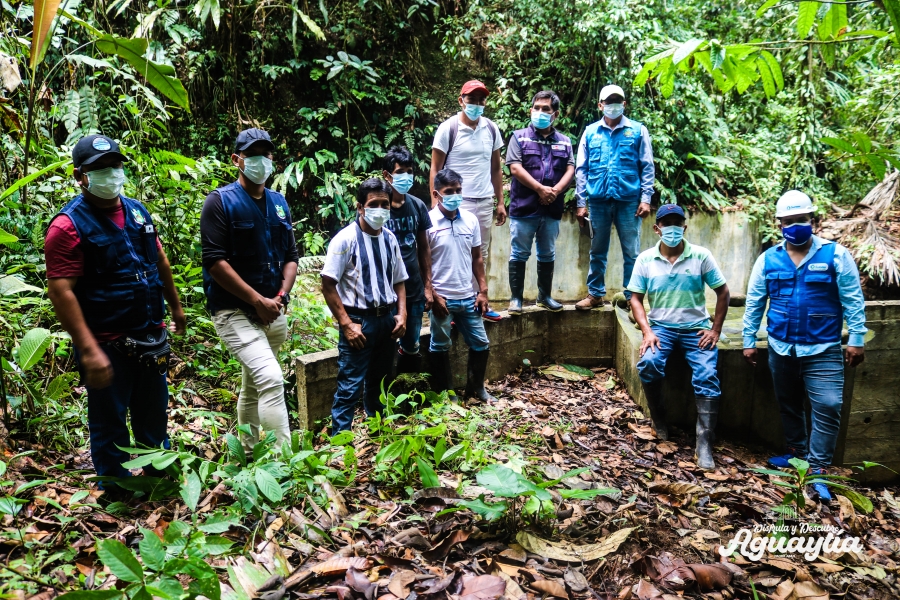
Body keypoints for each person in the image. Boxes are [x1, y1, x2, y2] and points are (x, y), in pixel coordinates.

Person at [45, 134, 186, 488]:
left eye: (115, 165)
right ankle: (115, 487)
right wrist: (89, 349)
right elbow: (61, 291)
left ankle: (157, 477)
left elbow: (159, 258)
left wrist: (176, 306)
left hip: (150, 334)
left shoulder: (137, 211)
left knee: (153, 415)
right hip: (107, 341)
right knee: (109, 421)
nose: (111, 173)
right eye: (100, 168)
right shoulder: (67, 226)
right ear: (80, 176)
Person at [742, 190, 866, 502]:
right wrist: (748, 340)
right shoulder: (767, 259)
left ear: (813, 220)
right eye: (789, 221)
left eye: (802, 220)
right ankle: (797, 455)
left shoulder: (836, 255)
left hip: (823, 348)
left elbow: (853, 300)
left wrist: (857, 339)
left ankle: (819, 470)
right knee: (788, 403)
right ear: (779, 224)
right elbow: (755, 302)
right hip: (781, 347)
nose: (796, 225)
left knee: (828, 406)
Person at [201, 128, 299, 453]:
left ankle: (244, 452)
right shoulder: (220, 202)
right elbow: (215, 262)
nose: (260, 161)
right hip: (233, 312)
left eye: (266, 154)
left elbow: (291, 257)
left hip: (272, 311)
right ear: (237, 159)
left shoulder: (279, 202)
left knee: (253, 385)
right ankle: (284, 461)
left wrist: (280, 297)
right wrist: (257, 301)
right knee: (271, 379)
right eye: (252, 154)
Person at [628, 204, 730, 470]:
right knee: (649, 363)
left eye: (677, 223)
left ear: (684, 227)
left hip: (695, 328)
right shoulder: (645, 259)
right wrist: (647, 331)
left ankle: (704, 442)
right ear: (657, 228)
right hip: (660, 328)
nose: (672, 228)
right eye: (667, 223)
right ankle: (659, 419)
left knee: (707, 375)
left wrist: (715, 329)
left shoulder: (700, 256)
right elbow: (635, 298)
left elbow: (723, 292)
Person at [321, 179, 408, 433]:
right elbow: (328, 285)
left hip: (387, 321)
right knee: (349, 385)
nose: (380, 209)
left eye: (385, 204)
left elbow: (400, 280)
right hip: (359, 321)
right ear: (360, 207)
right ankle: (340, 443)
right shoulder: (345, 240)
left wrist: (401, 315)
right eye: (373, 204)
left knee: (379, 381)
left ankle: (378, 433)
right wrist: (346, 324)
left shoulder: (390, 239)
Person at [430, 80, 506, 322]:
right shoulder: (448, 129)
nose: (476, 104)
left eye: (481, 100)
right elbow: (435, 168)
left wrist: (500, 201)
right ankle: (451, 306)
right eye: (471, 99)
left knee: (479, 253)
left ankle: (479, 302)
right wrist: (436, 202)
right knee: (452, 254)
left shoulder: (491, 129)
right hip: (454, 201)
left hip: (483, 201)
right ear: (461, 100)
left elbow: (496, 168)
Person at [575, 84, 655, 310]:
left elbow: (647, 166)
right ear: (600, 105)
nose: (613, 106)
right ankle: (595, 294)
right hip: (598, 201)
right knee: (597, 250)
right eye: (608, 102)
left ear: (624, 104)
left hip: (629, 201)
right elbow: (582, 169)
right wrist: (581, 203)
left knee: (632, 252)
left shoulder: (638, 130)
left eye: (617, 101)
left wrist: (646, 198)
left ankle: (633, 299)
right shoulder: (590, 132)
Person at [426, 169, 495, 402]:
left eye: (458, 191)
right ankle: (447, 394)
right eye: (449, 192)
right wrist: (433, 295)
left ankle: (476, 389)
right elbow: (422, 262)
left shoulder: (471, 220)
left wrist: (483, 291)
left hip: (468, 297)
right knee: (439, 345)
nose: (455, 195)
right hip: (442, 299)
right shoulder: (428, 222)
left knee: (481, 343)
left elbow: (477, 257)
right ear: (437, 194)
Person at [506, 90, 576, 314]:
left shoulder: (565, 142)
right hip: (524, 207)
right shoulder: (519, 137)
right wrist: (540, 189)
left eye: (546, 109)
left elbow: (570, 169)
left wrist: (554, 191)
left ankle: (544, 296)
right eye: (537, 108)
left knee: (547, 253)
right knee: (519, 253)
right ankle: (516, 299)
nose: (540, 112)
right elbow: (515, 168)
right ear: (530, 110)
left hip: (552, 208)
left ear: (554, 114)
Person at [381, 146, 433, 375]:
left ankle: (408, 389)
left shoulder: (418, 206)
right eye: (400, 171)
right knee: (383, 344)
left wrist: (428, 286)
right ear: (387, 175)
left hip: (413, 290)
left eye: (409, 171)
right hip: (383, 293)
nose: (406, 176)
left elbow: (424, 248)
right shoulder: (376, 209)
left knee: (411, 343)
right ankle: (383, 393)